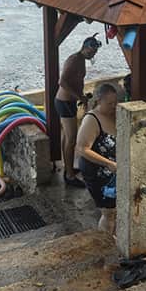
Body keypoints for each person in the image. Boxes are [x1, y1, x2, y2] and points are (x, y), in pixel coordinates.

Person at [56, 35, 101, 186]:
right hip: (65, 102)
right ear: (85, 47)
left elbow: (75, 82)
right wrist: (79, 97)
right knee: (72, 139)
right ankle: (69, 176)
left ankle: (67, 168)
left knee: (67, 138)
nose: (92, 54)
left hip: (69, 101)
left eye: (94, 52)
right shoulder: (74, 59)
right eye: (91, 51)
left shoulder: (82, 60)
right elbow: (62, 81)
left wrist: (81, 96)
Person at [76, 82, 118, 233]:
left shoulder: (115, 114)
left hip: (114, 171)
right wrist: (107, 163)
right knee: (108, 212)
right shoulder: (91, 119)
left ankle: (112, 237)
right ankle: (105, 243)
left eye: (115, 103)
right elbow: (82, 148)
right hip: (97, 171)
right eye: (109, 103)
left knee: (116, 210)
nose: (113, 106)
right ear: (99, 101)